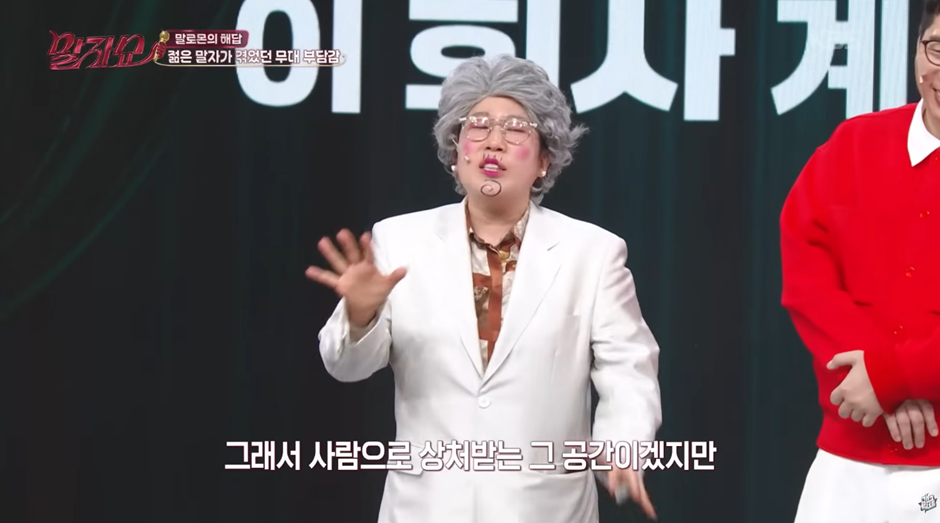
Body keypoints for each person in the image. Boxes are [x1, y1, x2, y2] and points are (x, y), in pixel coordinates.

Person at [306, 55, 662, 523]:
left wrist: (621, 447)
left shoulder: (592, 253)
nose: (494, 141)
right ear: (456, 153)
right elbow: (346, 367)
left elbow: (629, 370)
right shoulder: (400, 240)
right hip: (425, 510)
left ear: (544, 160)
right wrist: (360, 315)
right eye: (477, 126)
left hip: (545, 510)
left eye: (515, 129)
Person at [780, 2, 940, 520]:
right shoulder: (856, 143)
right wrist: (873, 379)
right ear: (917, 49)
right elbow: (806, 274)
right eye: (937, 48)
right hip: (851, 454)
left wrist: (894, 377)